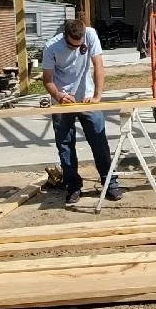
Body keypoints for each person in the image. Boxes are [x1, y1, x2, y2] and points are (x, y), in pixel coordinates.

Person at [41, 18, 123, 206]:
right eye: (73, 45)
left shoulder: (90, 35)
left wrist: (97, 96)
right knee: (65, 145)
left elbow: (98, 66)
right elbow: (47, 79)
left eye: (80, 44)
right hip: (63, 101)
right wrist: (59, 95)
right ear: (65, 36)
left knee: (99, 140)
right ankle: (73, 186)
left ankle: (109, 182)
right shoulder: (51, 47)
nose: (77, 47)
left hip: (87, 97)